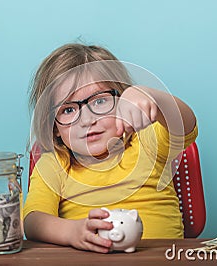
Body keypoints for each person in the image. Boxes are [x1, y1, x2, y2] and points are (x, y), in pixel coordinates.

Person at [24, 43, 198, 253]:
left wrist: (149, 97)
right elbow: (33, 222)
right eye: (68, 109)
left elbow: (185, 124)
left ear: (123, 102)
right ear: (54, 127)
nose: (87, 120)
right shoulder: (54, 165)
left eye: (100, 102)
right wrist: (71, 232)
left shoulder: (146, 142)